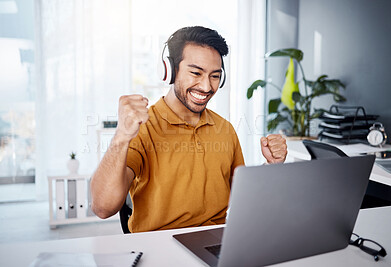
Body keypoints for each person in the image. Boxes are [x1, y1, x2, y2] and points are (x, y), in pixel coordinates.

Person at [90, 26, 287, 233]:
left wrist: (271, 166)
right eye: (196, 73)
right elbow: (103, 208)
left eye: (215, 76)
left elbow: (243, 198)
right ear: (170, 70)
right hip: (160, 246)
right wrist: (121, 136)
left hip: (217, 241)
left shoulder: (225, 130)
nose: (206, 87)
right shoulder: (143, 128)